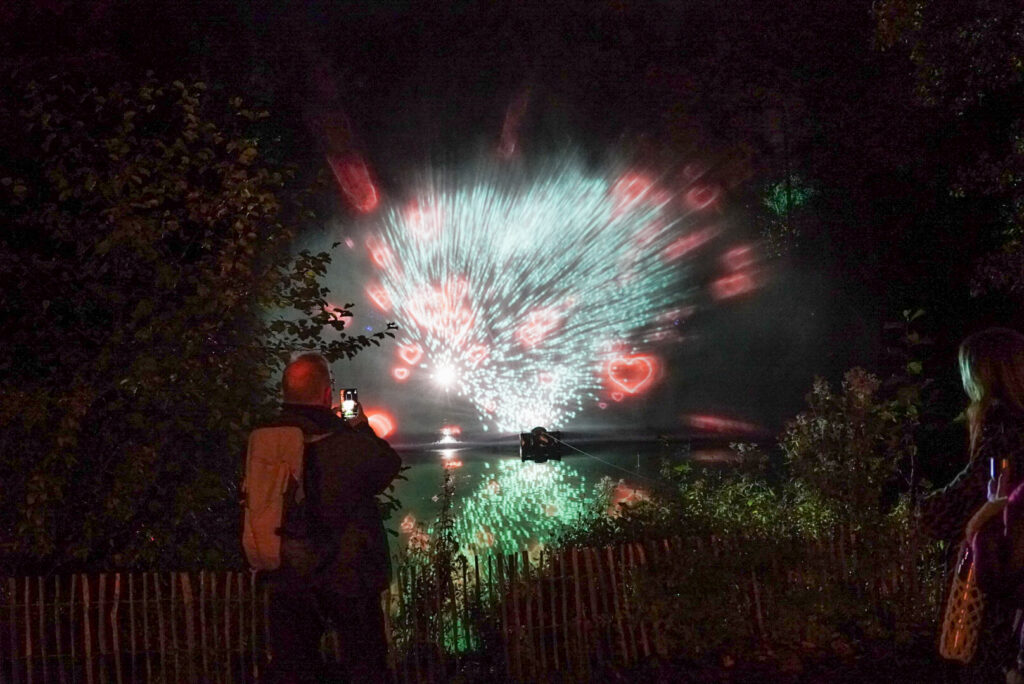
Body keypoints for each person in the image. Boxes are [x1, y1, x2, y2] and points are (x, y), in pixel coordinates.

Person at [257, 352, 402, 683]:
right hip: (347, 576)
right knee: (364, 664)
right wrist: (359, 424)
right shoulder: (345, 442)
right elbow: (387, 464)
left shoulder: (264, 441)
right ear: (326, 394)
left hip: (285, 571)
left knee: (294, 667)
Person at [920, 327, 1024, 682]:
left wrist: (922, 511)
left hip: (998, 564)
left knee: (984, 663)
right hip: (1016, 567)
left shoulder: (999, 419)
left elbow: (976, 485)